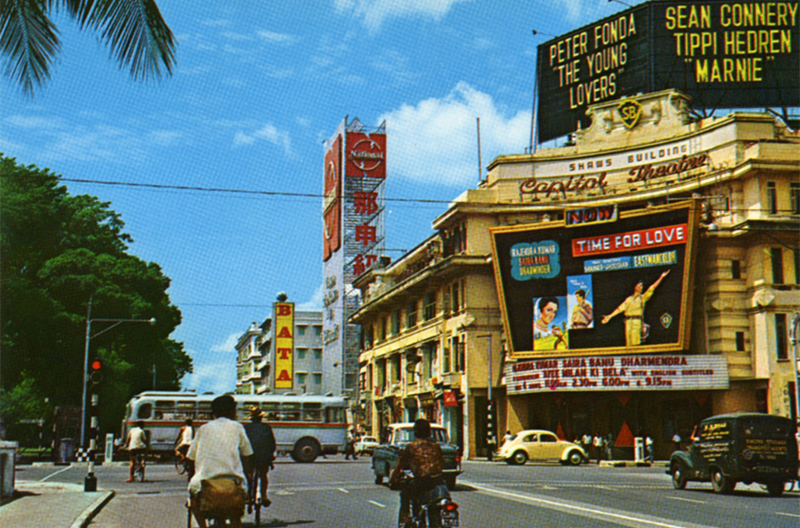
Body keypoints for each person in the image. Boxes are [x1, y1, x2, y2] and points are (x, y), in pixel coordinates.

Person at [186, 395, 253, 528]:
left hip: (205, 482)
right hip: (233, 484)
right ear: (232, 411)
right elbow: (247, 454)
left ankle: (203, 526)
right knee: (235, 514)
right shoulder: (238, 427)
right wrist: (247, 475)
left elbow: (190, 457)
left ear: (214, 412)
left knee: (193, 500)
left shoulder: (204, 428)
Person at [388, 418, 445, 528]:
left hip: (421, 481)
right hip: (438, 481)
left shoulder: (412, 446)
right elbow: (441, 462)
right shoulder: (436, 446)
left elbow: (401, 465)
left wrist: (393, 478)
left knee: (405, 494)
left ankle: (406, 519)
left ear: (415, 432)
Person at [601, 270, 670, 346]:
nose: (640, 287)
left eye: (641, 286)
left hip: (636, 321)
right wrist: (609, 316)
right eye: (639, 285)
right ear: (635, 286)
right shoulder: (629, 299)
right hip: (628, 322)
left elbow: (652, 288)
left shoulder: (642, 298)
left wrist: (661, 277)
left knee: (635, 343)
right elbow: (620, 308)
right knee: (628, 343)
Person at [243, 405, 276, 509]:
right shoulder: (266, 427)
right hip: (263, 456)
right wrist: (271, 455)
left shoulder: (246, 428)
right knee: (263, 475)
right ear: (261, 417)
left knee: (248, 475)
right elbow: (272, 443)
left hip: (250, 456)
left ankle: (248, 496)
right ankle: (264, 496)